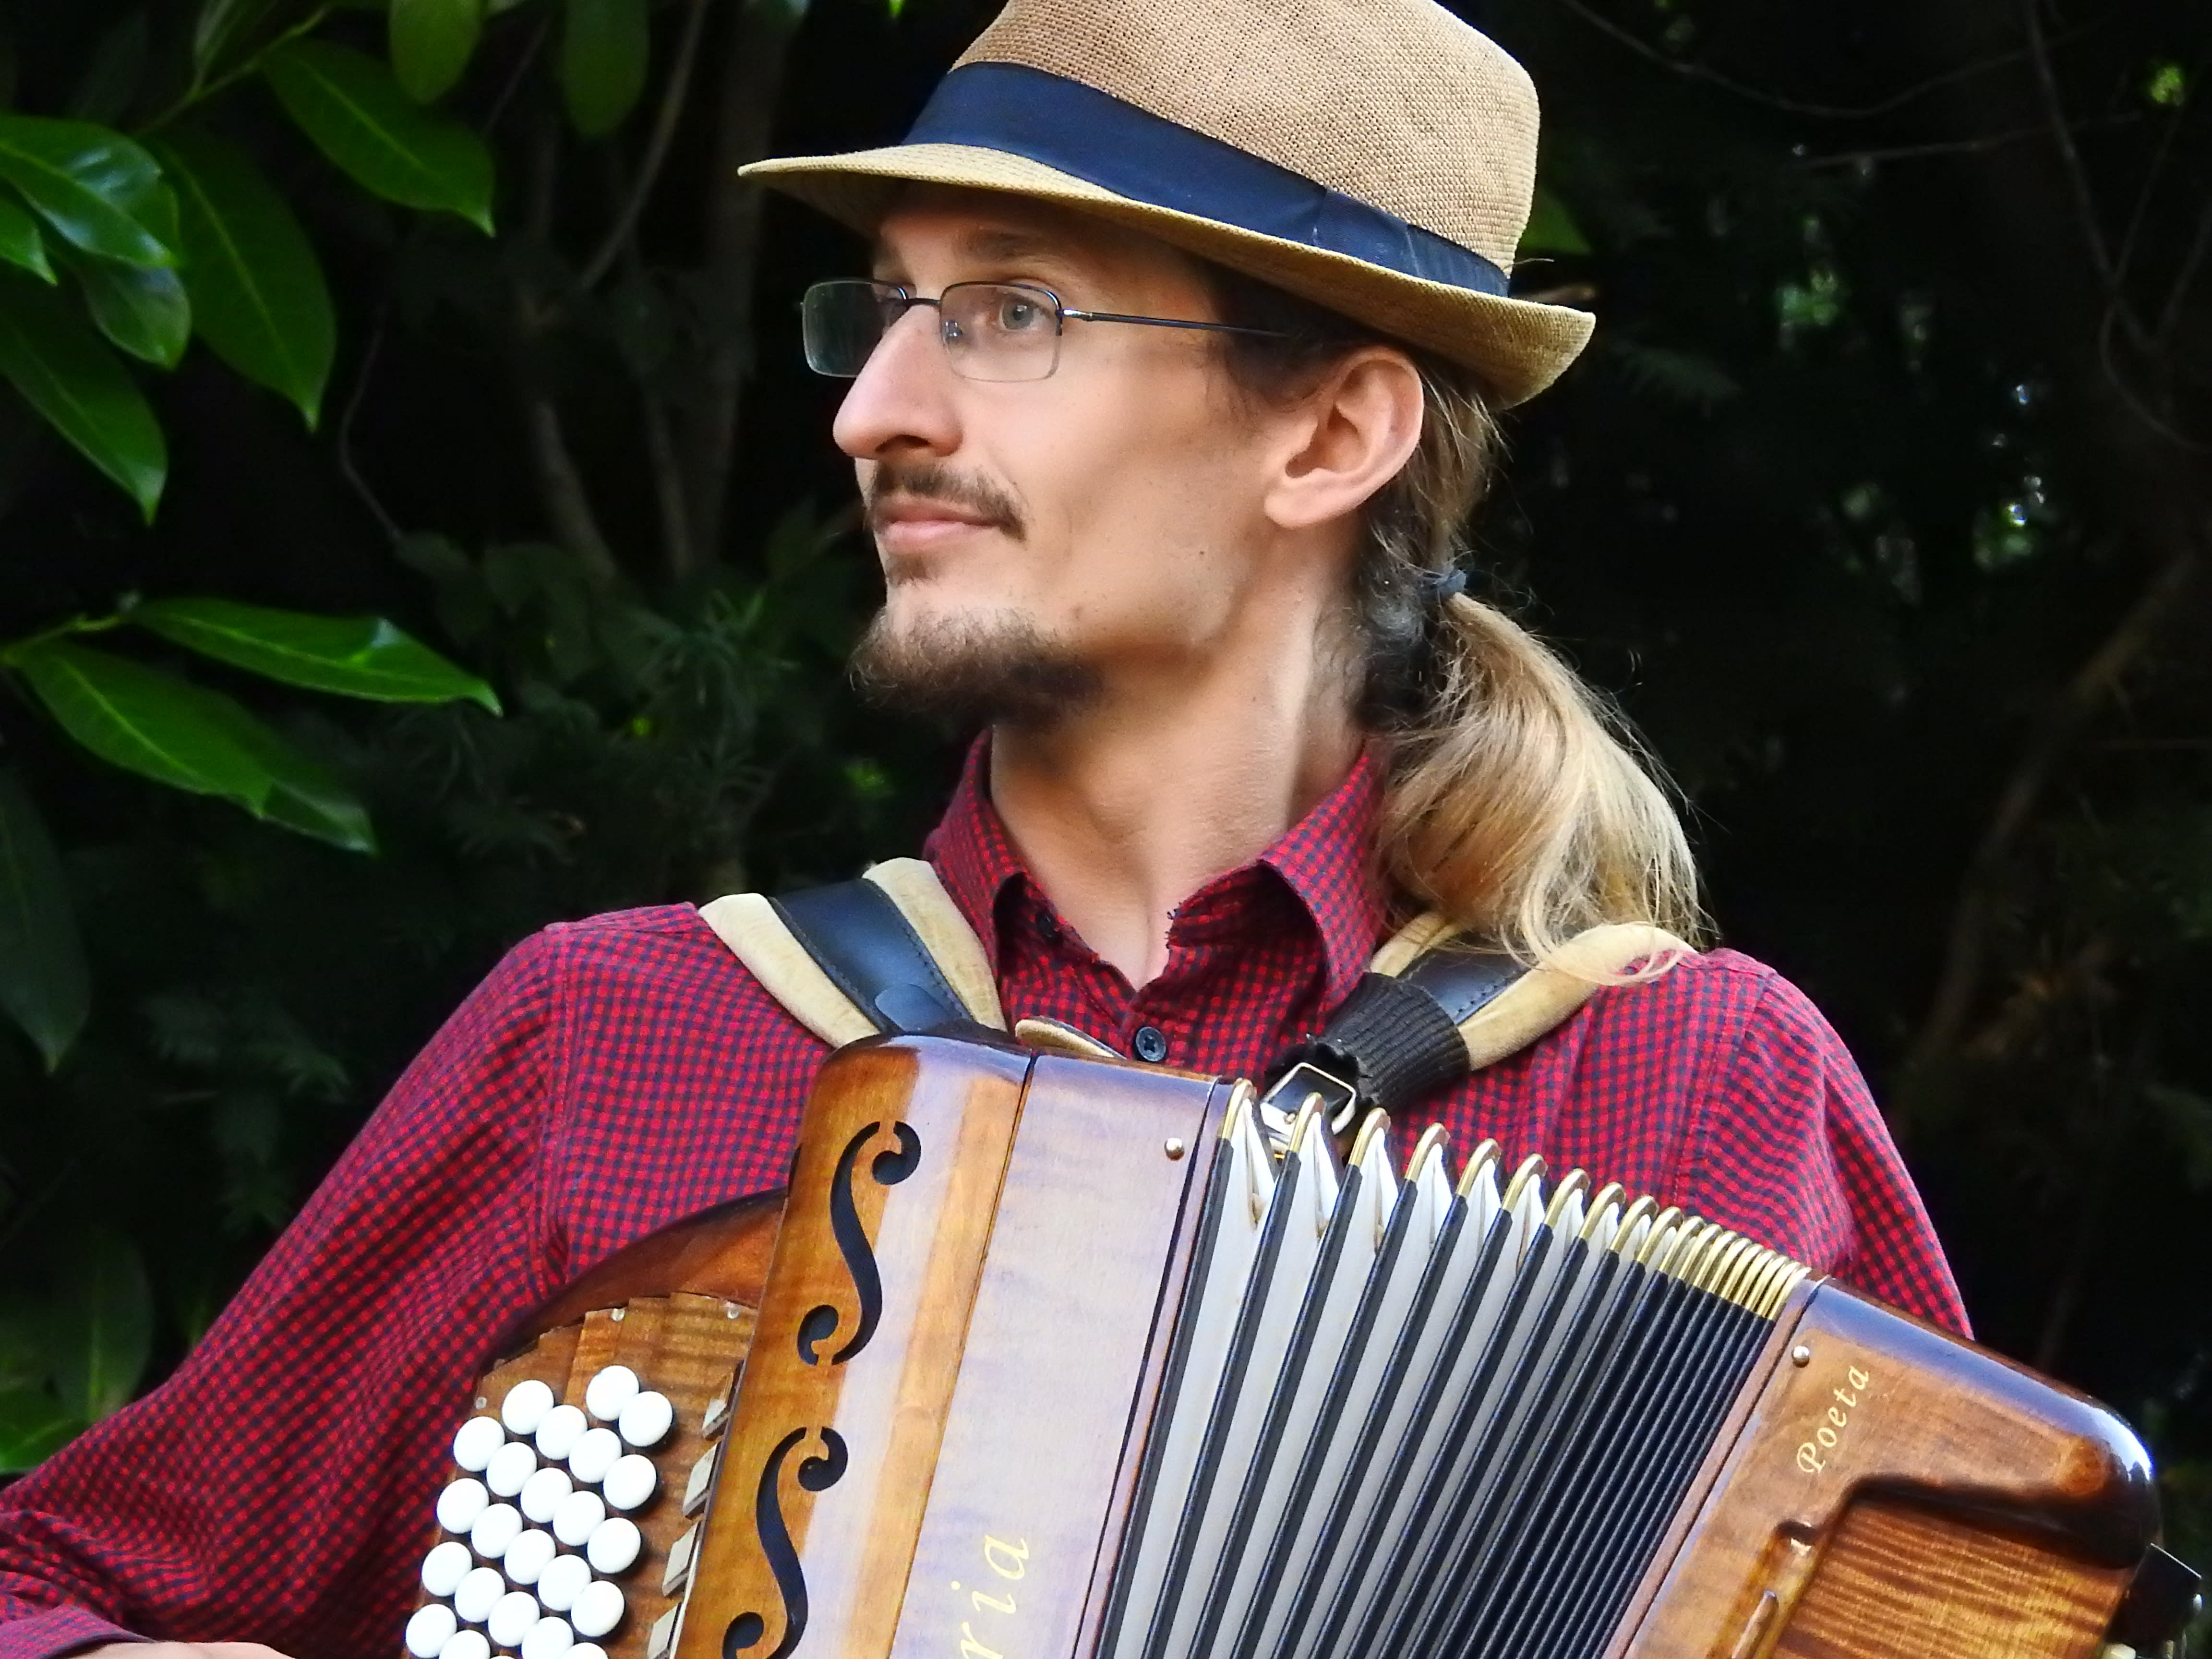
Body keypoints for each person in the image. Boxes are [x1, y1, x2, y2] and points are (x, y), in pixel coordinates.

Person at [0, 0, 1966, 1658]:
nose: (878, 411)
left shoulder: (1694, 1090)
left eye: (1012, 312)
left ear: (1331, 434)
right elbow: (48, 1586)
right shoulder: (615, 1041)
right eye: (886, 312)